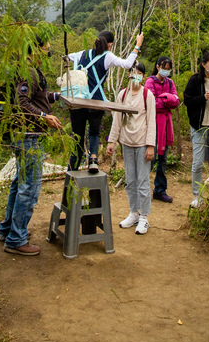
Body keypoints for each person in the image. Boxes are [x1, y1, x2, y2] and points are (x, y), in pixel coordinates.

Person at [0, 39, 62, 256]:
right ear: (35, 50)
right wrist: (44, 117)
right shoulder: (30, 72)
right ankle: (16, 239)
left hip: (21, 134)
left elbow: (35, 97)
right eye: (47, 50)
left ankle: (8, 229)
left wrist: (54, 97)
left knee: (19, 183)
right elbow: (22, 101)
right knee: (29, 187)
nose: (48, 54)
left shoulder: (29, 70)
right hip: (29, 136)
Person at [66, 30, 144, 172]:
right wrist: (137, 45)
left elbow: (67, 58)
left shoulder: (81, 54)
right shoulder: (107, 56)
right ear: (111, 44)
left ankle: (71, 170)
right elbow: (127, 64)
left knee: (77, 137)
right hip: (96, 103)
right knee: (94, 133)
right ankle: (93, 159)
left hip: (77, 103)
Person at [106, 61, 156, 234]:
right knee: (131, 181)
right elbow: (117, 120)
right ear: (128, 75)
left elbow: (151, 121)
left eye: (140, 73)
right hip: (126, 143)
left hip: (142, 144)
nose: (136, 76)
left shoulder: (147, 95)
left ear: (143, 76)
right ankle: (134, 213)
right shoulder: (122, 95)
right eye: (133, 72)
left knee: (143, 181)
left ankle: (144, 217)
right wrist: (112, 141)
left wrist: (151, 146)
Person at [183, 51, 209, 208]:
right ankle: (197, 195)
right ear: (203, 64)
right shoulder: (195, 80)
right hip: (199, 126)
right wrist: (203, 98)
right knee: (198, 163)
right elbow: (187, 100)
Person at [144, 56, 179, 202]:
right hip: (153, 123)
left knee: (163, 158)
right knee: (149, 158)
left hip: (166, 124)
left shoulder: (170, 82)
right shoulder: (150, 81)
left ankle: (160, 190)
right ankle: (143, 188)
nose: (166, 71)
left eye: (168, 68)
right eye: (164, 67)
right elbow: (151, 102)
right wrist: (168, 99)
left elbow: (176, 101)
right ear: (158, 67)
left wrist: (163, 97)